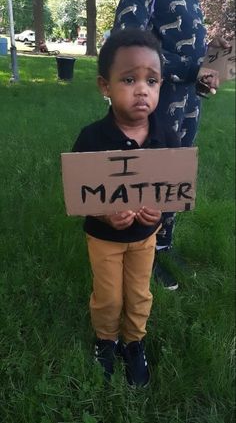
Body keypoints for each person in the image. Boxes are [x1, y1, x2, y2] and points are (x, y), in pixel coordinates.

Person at [113, 0, 229, 290]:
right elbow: (129, 46)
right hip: (152, 105)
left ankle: (163, 245)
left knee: (174, 175)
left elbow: (183, 49)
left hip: (188, 105)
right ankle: (140, 254)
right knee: (147, 176)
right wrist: (192, 69)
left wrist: (210, 55)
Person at [72, 28, 179, 386]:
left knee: (139, 292)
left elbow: (170, 187)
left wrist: (159, 212)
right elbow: (80, 191)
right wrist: (104, 212)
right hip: (104, 237)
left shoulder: (167, 136)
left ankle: (134, 341)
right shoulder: (92, 139)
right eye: (129, 79)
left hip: (145, 236)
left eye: (153, 80)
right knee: (108, 295)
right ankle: (106, 340)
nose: (142, 90)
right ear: (105, 85)